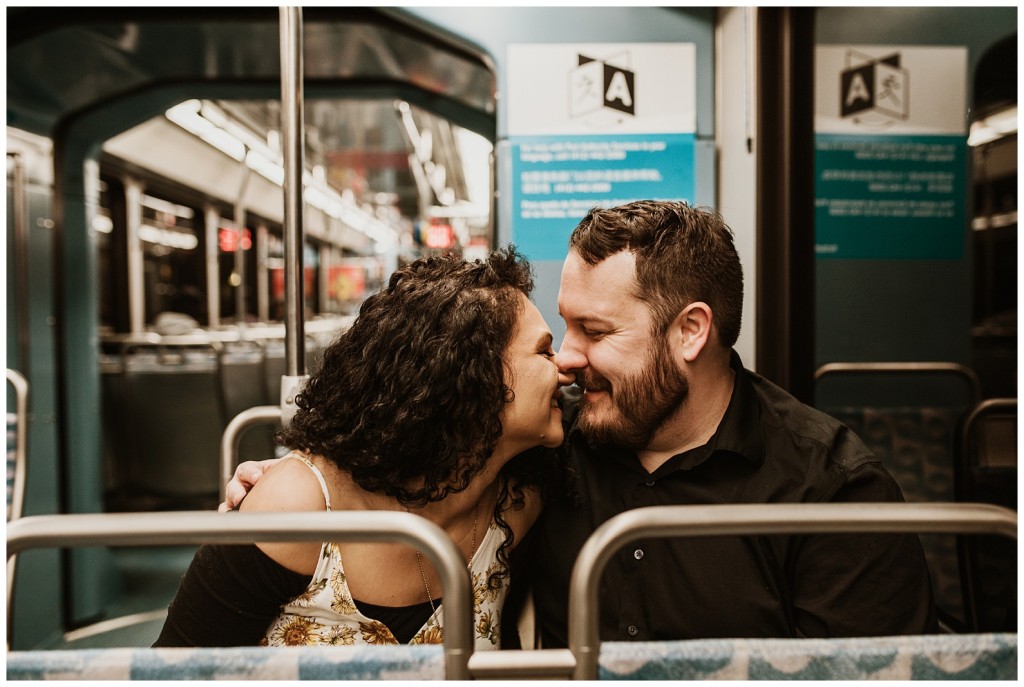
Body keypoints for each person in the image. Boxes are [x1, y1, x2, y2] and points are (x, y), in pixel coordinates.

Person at [224, 200, 937, 646]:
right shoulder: (545, 449)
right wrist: (285, 487)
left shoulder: (832, 493)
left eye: (595, 331)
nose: (567, 358)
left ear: (690, 332)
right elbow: (404, 471)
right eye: (564, 328)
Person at [155, 247, 570, 649]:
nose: (564, 368)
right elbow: (175, 669)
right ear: (474, 373)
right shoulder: (298, 508)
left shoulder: (517, 503)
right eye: (544, 350)